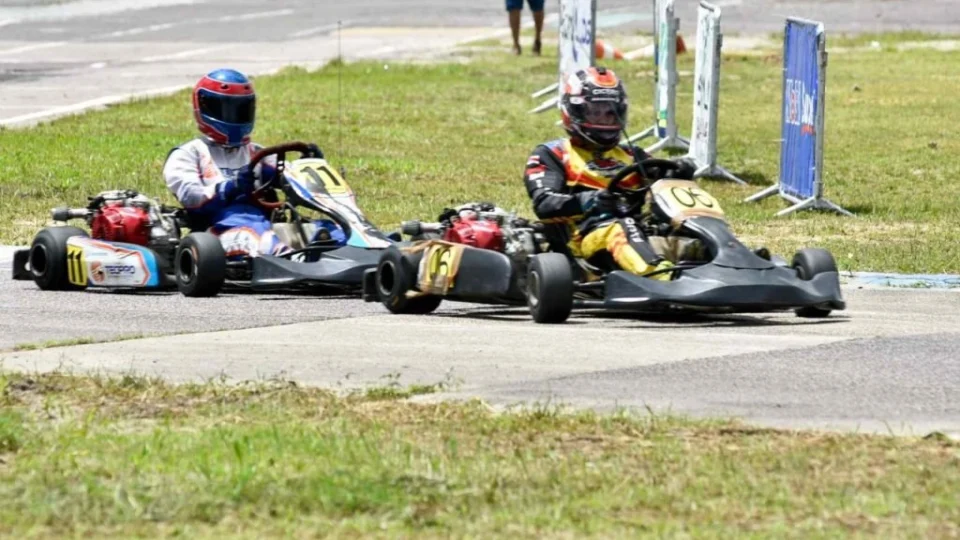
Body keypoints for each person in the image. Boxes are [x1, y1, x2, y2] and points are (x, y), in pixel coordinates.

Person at [522, 66, 698, 281]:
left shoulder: (631, 154)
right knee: (621, 228)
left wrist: (678, 172)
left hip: (637, 233)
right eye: (595, 112)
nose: (604, 120)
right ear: (574, 112)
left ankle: (735, 266)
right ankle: (665, 278)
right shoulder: (552, 154)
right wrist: (589, 200)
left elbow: (663, 182)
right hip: (583, 241)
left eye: (610, 113)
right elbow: (544, 203)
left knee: (688, 226)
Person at [163, 68, 344, 259]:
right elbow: (192, 198)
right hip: (219, 231)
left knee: (330, 229)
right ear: (205, 108)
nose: (234, 116)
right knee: (258, 235)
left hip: (265, 223)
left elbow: (287, 177)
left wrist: (308, 167)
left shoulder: (256, 152)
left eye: (240, 109)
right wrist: (230, 188)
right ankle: (294, 260)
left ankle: (347, 252)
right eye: (226, 109)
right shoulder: (188, 154)